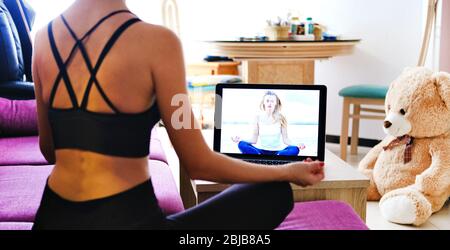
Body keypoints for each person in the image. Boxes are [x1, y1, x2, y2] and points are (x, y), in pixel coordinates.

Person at [31, 0, 324, 230]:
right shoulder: (158, 42)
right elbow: (199, 164)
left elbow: (50, 151)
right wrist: (288, 171)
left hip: (53, 217)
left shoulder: (43, 38)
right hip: (128, 221)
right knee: (274, 193)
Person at [232, 91, 305, 156]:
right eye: (267, 101)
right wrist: (240, 139)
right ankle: (259, 156)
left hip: (278, 152)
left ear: (276, 103)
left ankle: (278, 157)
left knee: (294, 149)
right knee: (241, 144)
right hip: (260, 151)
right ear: (264, 102)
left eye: (272, 101)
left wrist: (297, 144)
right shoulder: (257, 118)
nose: (270, 103)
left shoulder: (281, 118)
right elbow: (254, 140)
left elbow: (286, 140)